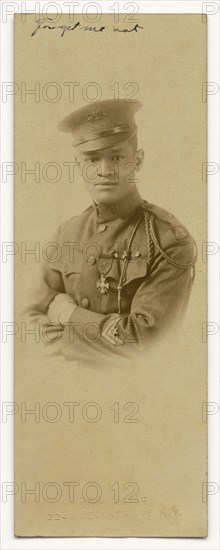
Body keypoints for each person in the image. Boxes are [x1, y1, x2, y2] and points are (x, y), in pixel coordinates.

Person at [26, 99, 197, 363]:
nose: (104, 171)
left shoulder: (168, 240)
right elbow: (29, 315)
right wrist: (57, 350)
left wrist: (68, 315)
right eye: (92, 159)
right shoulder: (67, 233)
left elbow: (146, 343)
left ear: (137, 160)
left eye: (116, 157)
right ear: (78, 165)